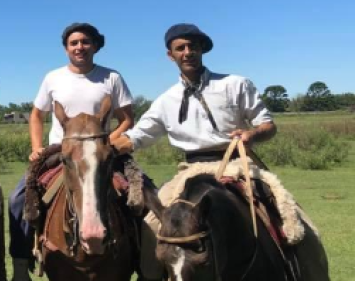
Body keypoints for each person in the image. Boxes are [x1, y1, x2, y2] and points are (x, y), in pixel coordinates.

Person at [112, 23, 328, 280]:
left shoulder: (235, 84)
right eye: (180, 48)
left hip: (238, 164)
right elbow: (139, 136)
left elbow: (268, 125)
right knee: (152, 226)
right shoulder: (165, 100)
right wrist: (101, 147)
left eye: (193, 46)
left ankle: (305, 271)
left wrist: (252, 134)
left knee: (291, 219)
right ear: (171, 55)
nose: (187, 52)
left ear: (202, 49)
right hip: (191, 171)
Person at [7, 23, 134, 281]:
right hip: (60, 150)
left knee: (142, 194)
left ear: (96, 46)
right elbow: (36, 114)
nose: (80, 47)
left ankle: (146, 261)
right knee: (18, 199)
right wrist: (36, 147)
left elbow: (127, 119)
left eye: (85, 42)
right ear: (66, 48)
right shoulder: (53, 78)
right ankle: (21, 264)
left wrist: (104, 142)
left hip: (101, 152)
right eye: (74, 43)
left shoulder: (112, 78)